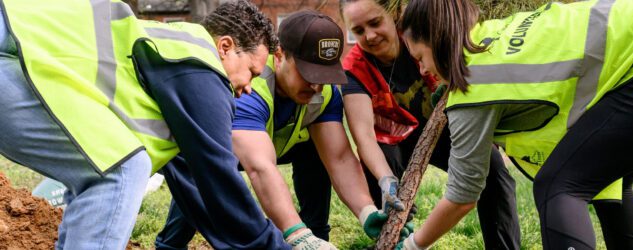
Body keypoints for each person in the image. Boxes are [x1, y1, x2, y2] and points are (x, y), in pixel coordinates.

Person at [0, 0, 288, 249]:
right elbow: (220, 178)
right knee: (120, 170)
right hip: (13, 46)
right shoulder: (201, 66)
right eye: (252, 71)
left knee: (107, 163)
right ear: (225, 47)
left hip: (17, 42)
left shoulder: (172, 59)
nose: (250, 87)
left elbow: (196, 185)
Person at [397, 0, 633, 249]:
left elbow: (462, 196)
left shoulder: (475, 84)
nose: (421, 71)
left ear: (439, 37)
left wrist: (412, 245)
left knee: (559, 186)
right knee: (608, 181)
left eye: (420, 57)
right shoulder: (492, 34)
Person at [154, 10, 411, 250]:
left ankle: (317, 233)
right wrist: (296, 234)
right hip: (226, 149)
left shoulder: (325, 91)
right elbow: (259, 167)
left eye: (323, 76)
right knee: (200, 173)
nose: (315, 86)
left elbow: (340, 158)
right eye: (308, 73)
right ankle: (171, 244)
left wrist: (366, 211)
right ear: (279, 56)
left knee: (315, 148)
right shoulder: (252, 82)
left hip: (276, 142)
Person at [338, 0, 521, 249]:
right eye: (358, 31)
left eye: (375, 22)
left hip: (442, 126)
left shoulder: (421, 35)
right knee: (379, 180)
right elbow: (364, 136)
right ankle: (393, 241)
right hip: (393, 139)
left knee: (494, 172)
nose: (369, 36)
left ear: (394, 14)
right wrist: (385, 180)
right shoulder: (354, 70)